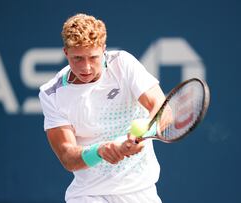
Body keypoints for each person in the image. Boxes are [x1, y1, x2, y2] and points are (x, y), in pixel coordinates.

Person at [38, 13, 166, 203]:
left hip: (140, 191)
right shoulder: (51, 93)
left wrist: (145, 132)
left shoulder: (123, 64)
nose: (86, 67)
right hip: (88, 196)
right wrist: (100, 151)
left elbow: (162, 108)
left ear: (104, 50)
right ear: (66, 53)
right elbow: (67, 156)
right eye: (78, 58)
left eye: (93, 57)